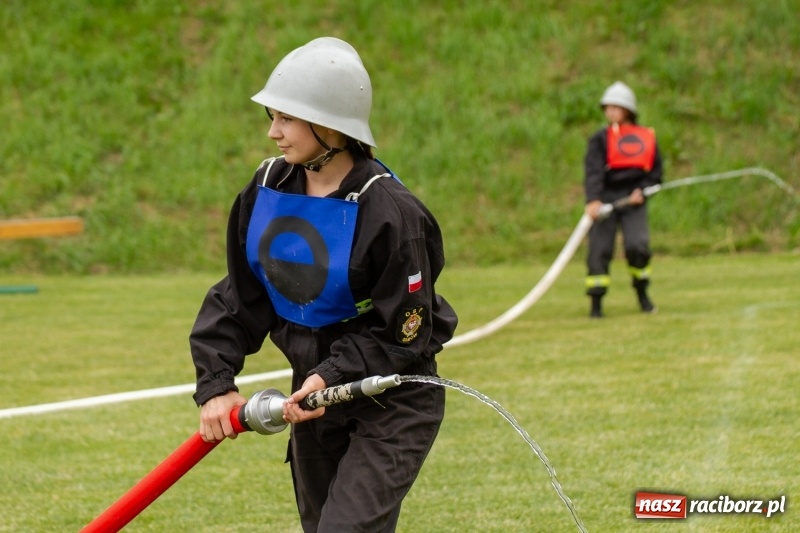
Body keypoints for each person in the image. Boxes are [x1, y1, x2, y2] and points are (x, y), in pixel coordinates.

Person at [189, 37, 458, 532]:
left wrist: (331, 374)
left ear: (330, 125)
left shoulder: (392, 214)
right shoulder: (267, 187)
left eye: (286, 119)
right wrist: (216, 383)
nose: (273, 133)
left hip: (391, 400)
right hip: (311, 401)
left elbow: (405, 332)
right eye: (272, 117)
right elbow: (241, 295)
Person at [583, 81, 663, 318]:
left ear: (627, 110)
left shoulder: (647, 138)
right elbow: (594, 172)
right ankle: (596, 306)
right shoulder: (599, 140)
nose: (610, 112)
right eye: (607, 108)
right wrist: (594, 200)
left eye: (615, 107)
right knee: (599, 249)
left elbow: (656, 174)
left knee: (637, 245)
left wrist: (644, 191)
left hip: (634, 200)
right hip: (605, 200)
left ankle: (642, 294)